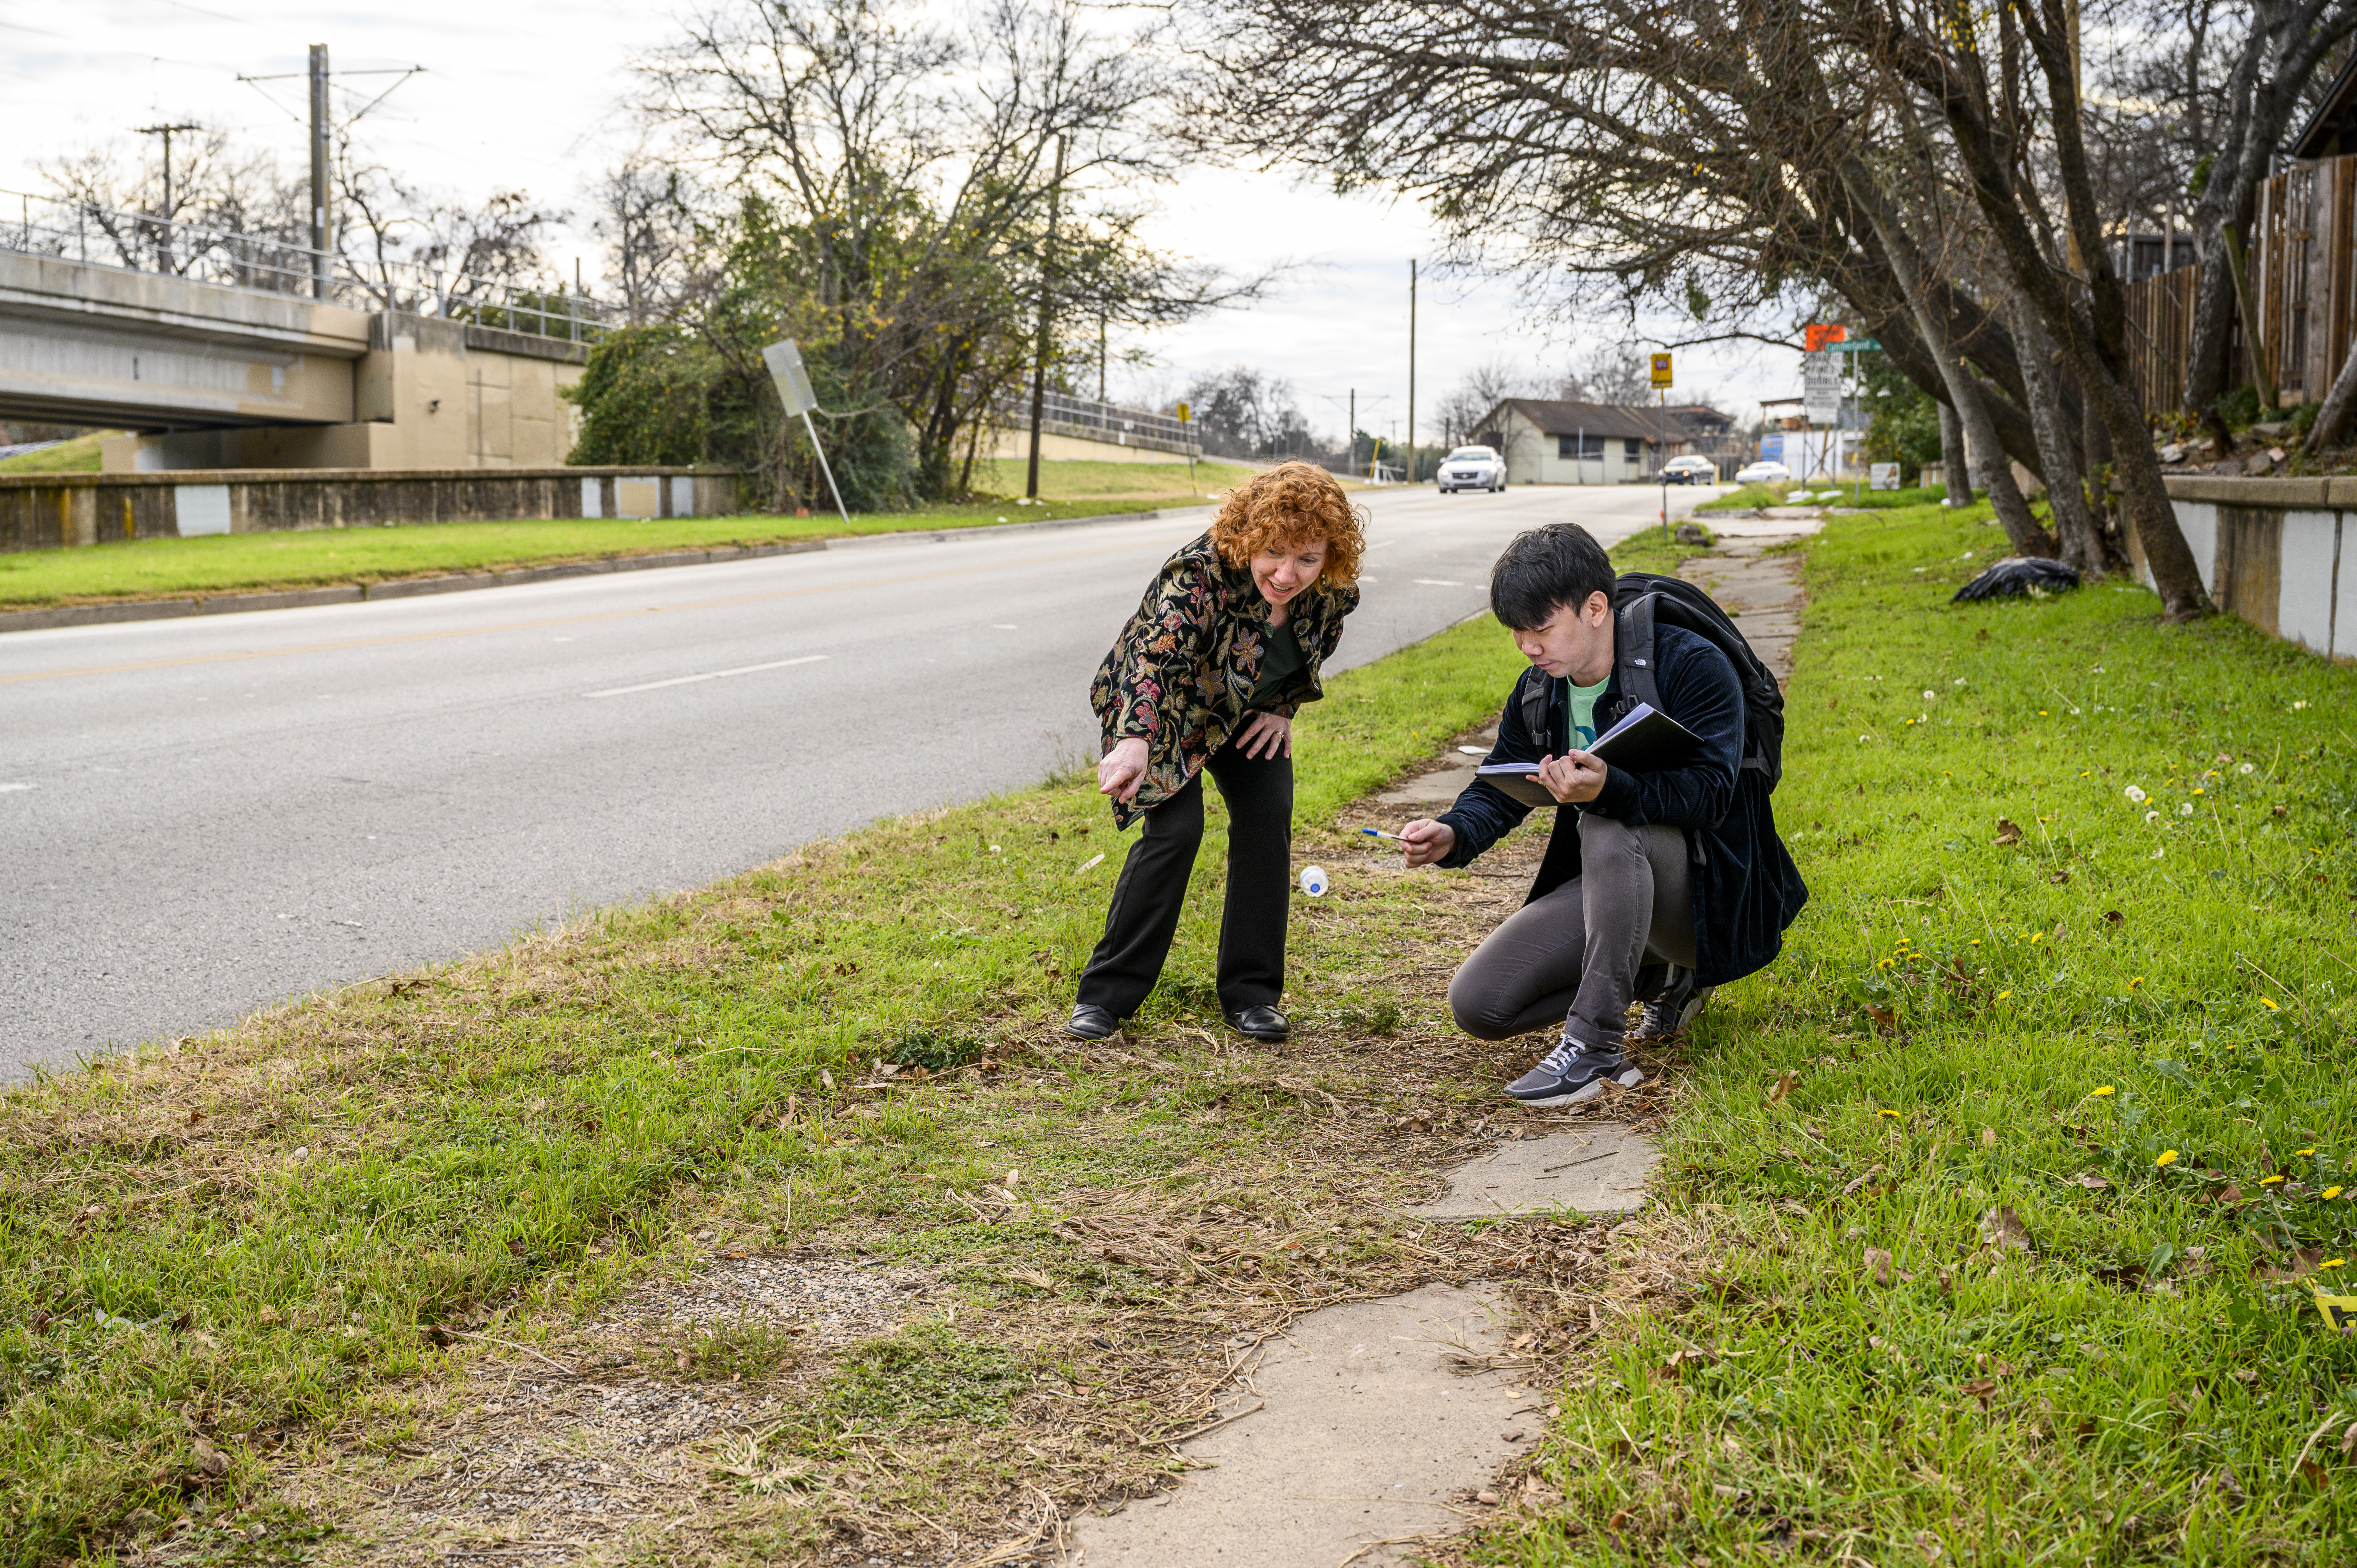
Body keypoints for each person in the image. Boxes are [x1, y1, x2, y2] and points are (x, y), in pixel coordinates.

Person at [1399, 523, 1806, 1105]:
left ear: (1595, 608)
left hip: (1707, 899)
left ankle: (1595, 1048)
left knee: (1610, 819)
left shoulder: (1690, 663)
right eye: (1517, 633)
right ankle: (1660, 979)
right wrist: (1453, 832)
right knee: (1481, 1004)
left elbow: (1716, 794)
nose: (1529, 648)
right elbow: (1502, 782)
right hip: (1617, 887)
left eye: (1541, 629)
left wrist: (1611, 787)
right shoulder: (1541, 689)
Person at [1068, 462, 1365, 1044]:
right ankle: (1105, 999)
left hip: (1247, 710)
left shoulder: (1332, 591)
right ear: (1250, 536)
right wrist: (1134, 742)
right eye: (1275, 553)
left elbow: (1314, 647)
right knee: (1177, 831)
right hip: (1162, 712)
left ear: (1329, 555)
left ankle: (1253, 995)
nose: (1287, 574)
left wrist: (1283, 708)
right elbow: (1152, 662)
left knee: (1268, 815)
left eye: (1307, 559)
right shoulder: (1197, 575)